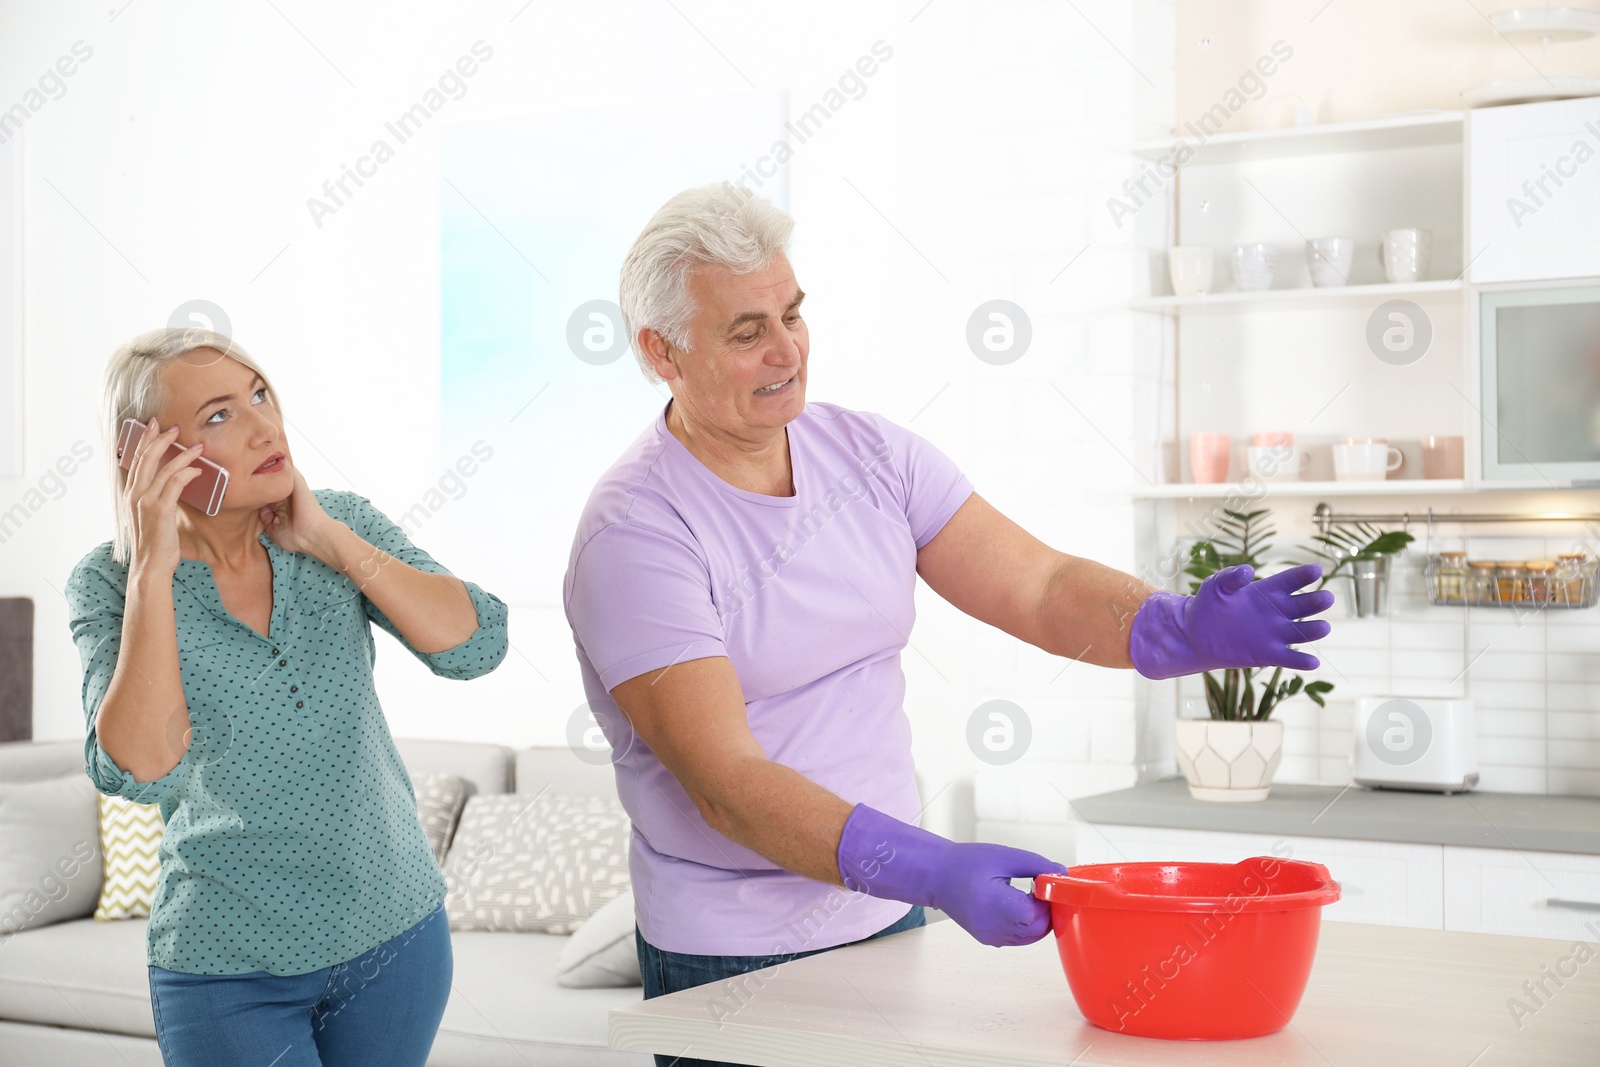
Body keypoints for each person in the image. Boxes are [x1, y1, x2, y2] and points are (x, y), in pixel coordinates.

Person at [564, 183, 1333, 1067]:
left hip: (886, 914)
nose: (787, 349)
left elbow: (1040, 587)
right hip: (734, 949)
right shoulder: (638, 532)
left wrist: (1174, 627)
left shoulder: (871, 455)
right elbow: (727, 783)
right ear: (663, 351)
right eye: (747, 331)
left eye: (793, 314)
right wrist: (930, 865)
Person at [66, 329, 509, 1066]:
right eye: (218, 415)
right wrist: (152, 568)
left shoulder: (339, 524)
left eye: (260, 395)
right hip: (227, 965)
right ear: (143, 452)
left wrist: (333, 542)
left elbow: (475, 645)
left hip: (397, 937)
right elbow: (142, 769)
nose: (264, 426)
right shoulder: (108, 582)